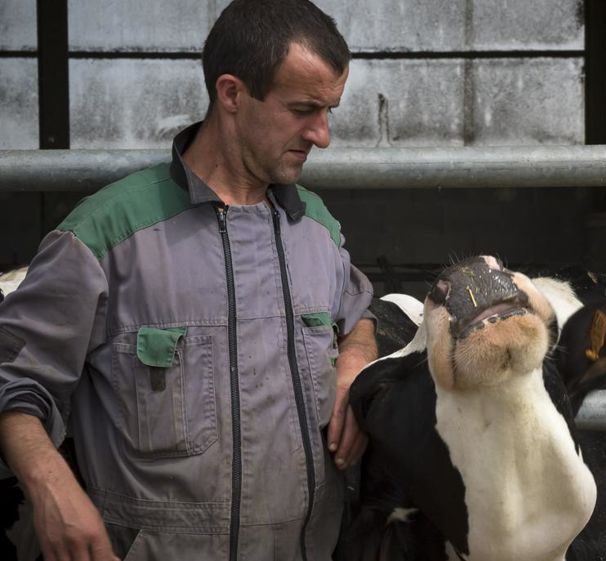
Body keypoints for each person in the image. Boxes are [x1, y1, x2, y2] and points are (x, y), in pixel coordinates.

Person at [0, 0, 377, 559]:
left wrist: (356, 362)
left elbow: (359, 313)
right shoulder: (105, 238)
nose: (322, 135)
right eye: (303, 109)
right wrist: (49, 485)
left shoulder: (316, 228)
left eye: (329, 111)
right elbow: (14, 379)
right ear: (231, 94)